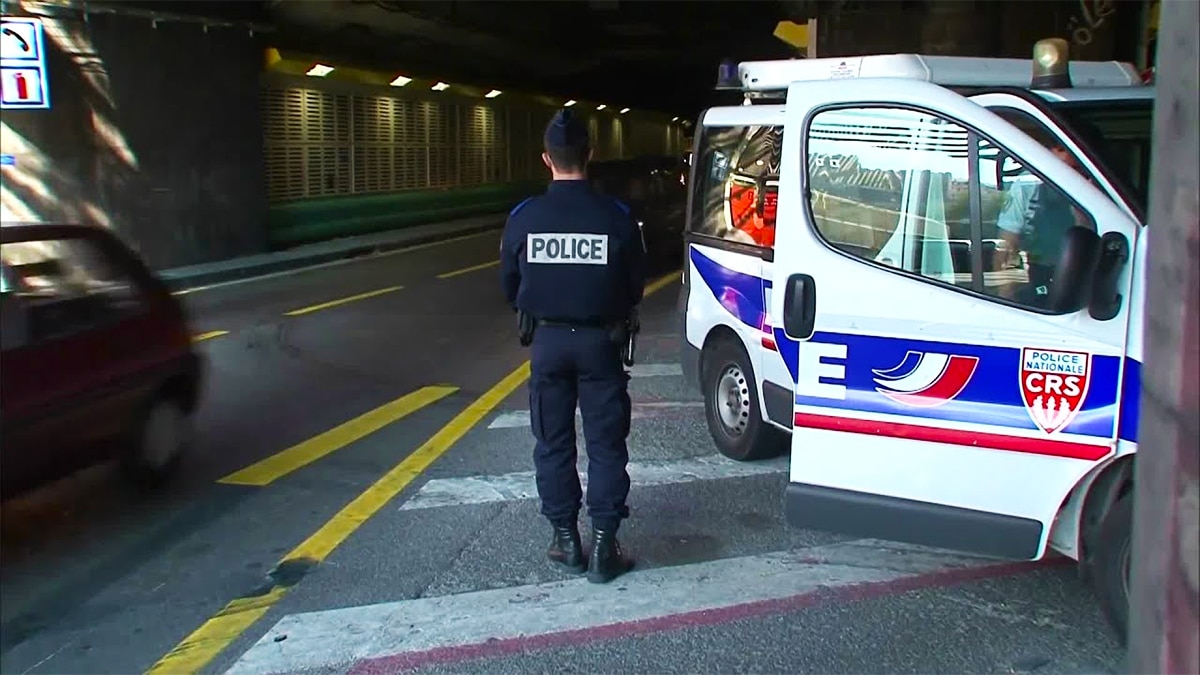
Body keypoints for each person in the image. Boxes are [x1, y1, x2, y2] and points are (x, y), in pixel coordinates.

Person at [499, 108, 647, 584]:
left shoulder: (525, 218)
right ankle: (605, 547)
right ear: (591, 155)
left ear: (547, 159)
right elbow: (635, 284)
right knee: (605, 444)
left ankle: (566, 541)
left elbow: (509, 283)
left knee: (553, 442)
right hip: (600, 344)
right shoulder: (617, 217)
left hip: (546, 343)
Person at [995, 142, 1093, 305]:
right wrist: (1004, 292)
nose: (1068, 156)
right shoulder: (1027, 183)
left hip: (1086, 277)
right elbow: (1007, 242)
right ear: (1049, 152)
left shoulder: (1097, 189)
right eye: (1061, 149)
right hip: (1040, 271)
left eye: (1074, 151)